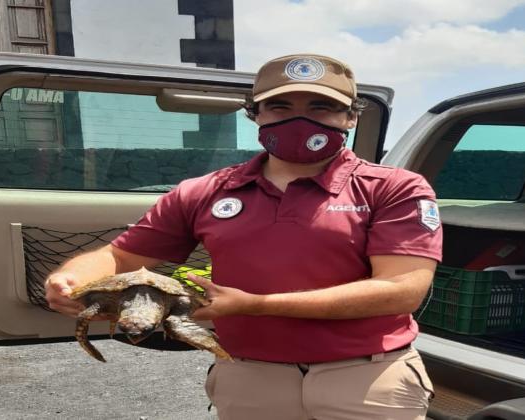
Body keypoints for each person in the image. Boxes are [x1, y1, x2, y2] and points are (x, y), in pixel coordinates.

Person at [45, 53, 443, 420]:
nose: (299, 120)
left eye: (321, 107)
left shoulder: (393, 188)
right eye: (280, 107)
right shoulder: (203, 191)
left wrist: (256, 304)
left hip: (365, 377)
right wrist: (72, 278)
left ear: (351, 117)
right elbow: (121, 257)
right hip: (250, 376)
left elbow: (401, 289)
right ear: (255, 115)